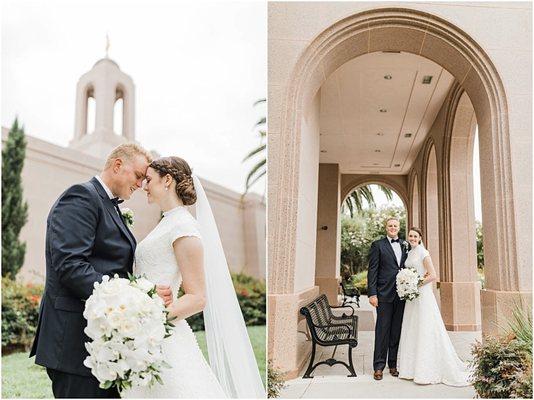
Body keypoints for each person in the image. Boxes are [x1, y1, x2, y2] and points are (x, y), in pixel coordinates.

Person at [30, 143, 173, 398]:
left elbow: (112, 266)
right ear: (118, 165)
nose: (141, 185)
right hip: (74, 341)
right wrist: (140, 297)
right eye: (138, 176)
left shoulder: (110, 205)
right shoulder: (81, 197)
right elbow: (71, 267)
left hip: (102, 343)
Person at [122, 156, 265, 399]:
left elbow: (197, 298)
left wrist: (151, 324)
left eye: (148, 180)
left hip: (162, 336)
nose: (144, 186)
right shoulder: (168, 223)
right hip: (147, 334)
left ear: (167, 180)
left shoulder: (183, 228)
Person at [397, 227, 470, 386]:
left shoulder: (424, 252)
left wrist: (415, 284)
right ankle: (410, 369)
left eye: (415, 236)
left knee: (425, 327)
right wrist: (407, 284)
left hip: (422, 295)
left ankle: (425, 369)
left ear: (420, 237)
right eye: (410, 236)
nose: (412, 238)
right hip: (412, 297)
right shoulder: (410, 253)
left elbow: (433, 275)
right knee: (412, 327)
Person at [367, 217, 408, 380]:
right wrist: (372, 293)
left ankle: (393, 365)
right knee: (382, 330)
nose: (393, 228)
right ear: (386, 228)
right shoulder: (378, 245)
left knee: (396, 331)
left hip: (402, 294)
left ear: (399, 228)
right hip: (383, 294)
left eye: (395, 226)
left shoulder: (405, 245)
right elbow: (372, 270)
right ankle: (378, 366)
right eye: (390, 225)